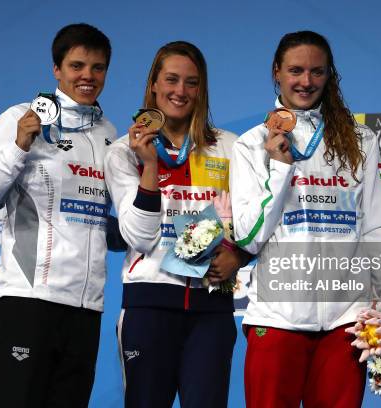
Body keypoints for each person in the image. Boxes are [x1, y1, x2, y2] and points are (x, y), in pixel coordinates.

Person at [230, 31, 381, 408]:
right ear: (276, 72)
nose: (306, 81)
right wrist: (279, 168)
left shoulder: (360, 141)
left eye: (317, 71)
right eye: (296, 70)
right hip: (276, 318)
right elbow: (248, 237)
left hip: (347, 321)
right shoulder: (251, 144)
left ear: (330, 76)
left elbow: (379, 229)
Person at [0, 23, 118, 408]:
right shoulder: (20, 117)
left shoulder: (109, 134)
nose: (88, 76)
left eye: (98, 67)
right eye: (77, 65)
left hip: (86, 309)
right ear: (57, 69)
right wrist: (19, 146)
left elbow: (106, 223)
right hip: (27, 300)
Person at [104, 41, 249, 408]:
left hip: (211, 309)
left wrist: (240, 256)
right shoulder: (123, 151)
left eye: (191, 83)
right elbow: (138, 235)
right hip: (148, 307)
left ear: (202, 90)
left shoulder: (230, 148)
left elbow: (255, 220)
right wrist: (149, 166)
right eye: (171, 80)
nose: (180, 91)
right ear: (153, 83)